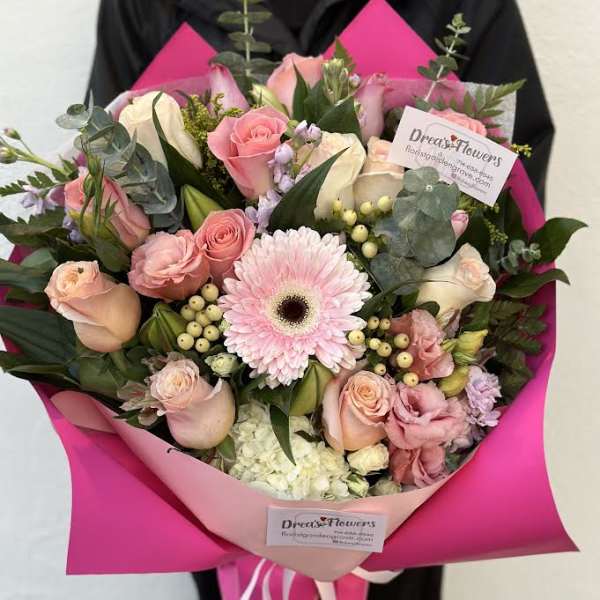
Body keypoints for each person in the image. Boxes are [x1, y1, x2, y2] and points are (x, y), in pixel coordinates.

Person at [86, 2, 552, 598]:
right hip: (214, 492)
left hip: (401, 505)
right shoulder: (144, 6)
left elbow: (513, 198)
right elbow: (103, 161)